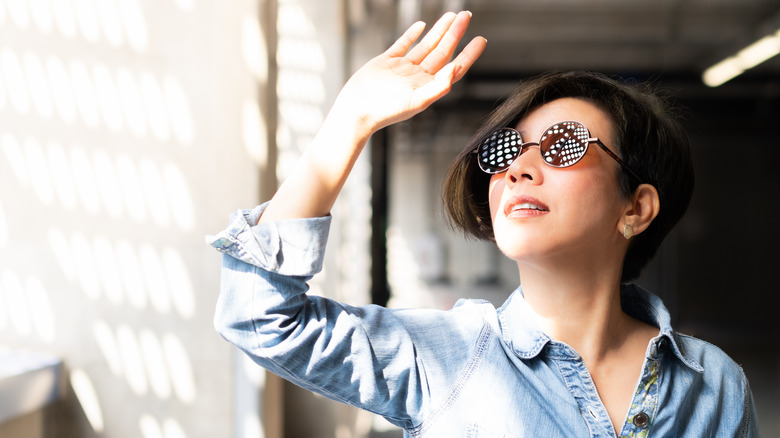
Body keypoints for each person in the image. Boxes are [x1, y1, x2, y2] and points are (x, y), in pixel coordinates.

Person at [209, 11, 759, 437]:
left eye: (563, 146)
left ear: (635, 208)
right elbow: (259, 316)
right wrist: (349, 122)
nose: (518, 168)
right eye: (505, 151)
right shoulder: (442, 356)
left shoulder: (713, 385)